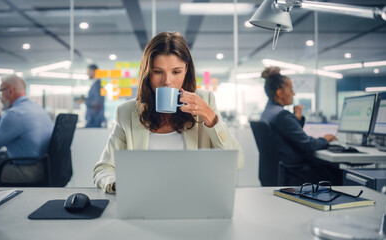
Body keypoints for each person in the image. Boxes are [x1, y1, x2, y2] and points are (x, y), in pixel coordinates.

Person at [93, 32, 244, 193]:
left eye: (176, 72)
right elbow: (103, 168)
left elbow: (237, 162)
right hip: (145, 200)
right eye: (158, 72)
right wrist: (116, 184)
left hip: (194, 198)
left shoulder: (204, 101)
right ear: (147, 73)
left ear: (186, 71)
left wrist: (209, 116)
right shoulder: (128, 112)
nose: (167, 81)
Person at [260, 67, 341, 185]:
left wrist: (296, 120)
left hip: (279, 170)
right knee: (336, 172)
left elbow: (286, 137)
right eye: (291, 89)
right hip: (294, 172)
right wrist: (325, 139)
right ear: (279, 92)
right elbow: (308, 144)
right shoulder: (282, 115)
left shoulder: (268, 112)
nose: (293, 93)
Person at [0, 74, 54, 184]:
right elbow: (11, 130)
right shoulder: (37, 108)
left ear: (10, 91)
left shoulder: (14, 114)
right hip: (46, 168)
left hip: (28, 171)